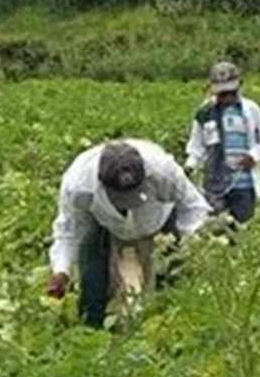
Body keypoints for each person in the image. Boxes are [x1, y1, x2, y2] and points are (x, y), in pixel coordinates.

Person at [46, 140, 213, 328]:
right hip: (104, 224)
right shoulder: (78, 186)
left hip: (160, 221)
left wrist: (191, 246)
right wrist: (61, 270)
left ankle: (170, 331)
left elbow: (194, 208)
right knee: (93, 285)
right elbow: (69, 230)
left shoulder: (163, 171)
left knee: (171, 286)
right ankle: (95, 332)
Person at [185, 61, 260, 225]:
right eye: (222, 94)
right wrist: (190, 166)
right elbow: (197, 145)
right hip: (215, 183)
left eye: (231, 93)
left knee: (242, 229)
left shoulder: (251, 110)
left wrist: (254, 156)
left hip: (244, 183)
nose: (227, 98)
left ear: (239, 87)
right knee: (216, 230)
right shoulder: (205, 112)